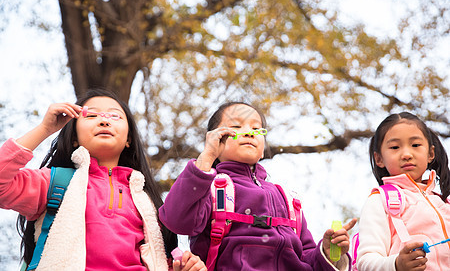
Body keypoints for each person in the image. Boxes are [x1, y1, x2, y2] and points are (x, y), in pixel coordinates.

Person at [0, 89, 206, 271]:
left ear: (129, 139)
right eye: (91, 115)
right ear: (73, 136)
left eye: (115, 116)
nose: (104, 120)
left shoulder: (150, 204)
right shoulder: (54, 183)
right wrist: (44, 129)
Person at [159, 101, 356, 270]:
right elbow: (177, 220)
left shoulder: (288, 199)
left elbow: (307, 258)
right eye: (235, 127)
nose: (248, 133)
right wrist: (207, 157)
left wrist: (328, 254)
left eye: (256, 129)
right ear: (214, 139)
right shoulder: (210, 189)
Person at [356, 112, 450, 271]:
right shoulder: (380, 201)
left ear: (430, 153)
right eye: (394, 147)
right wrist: (396, 264)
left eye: (415, 145)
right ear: (379, 159)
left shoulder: (444, 203)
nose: (406, 154)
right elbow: (366, 261)